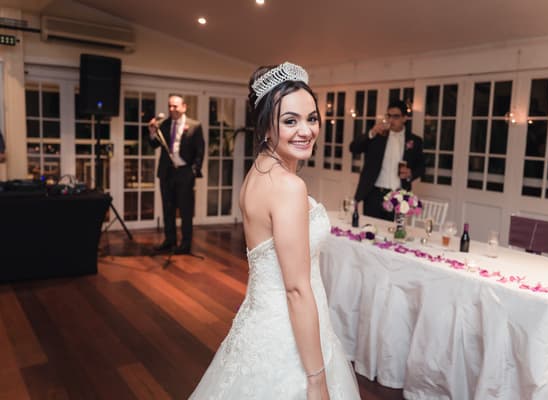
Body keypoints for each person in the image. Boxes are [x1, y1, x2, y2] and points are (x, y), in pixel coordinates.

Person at [189, 62, 360, 399]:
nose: (306, 131)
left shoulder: (257, 174)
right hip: (287, 334)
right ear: (266, 126)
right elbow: (296, 289)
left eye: (312, 119)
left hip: (260, 322)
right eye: (290, 121)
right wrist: (316, 380)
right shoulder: (287, 186)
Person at [350, 99, 425, 220]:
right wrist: (371, 133)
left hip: (398, 196)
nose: (391, 120)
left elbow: (421, 167)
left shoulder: (414, 141)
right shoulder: (378, 135)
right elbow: (354, 148)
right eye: (388, 116)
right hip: (373, 193)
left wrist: (411, 173)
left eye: (396, 116)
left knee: (392, 234)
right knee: (370, 230)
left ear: (405, 118)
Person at [148, 94, 205, 255]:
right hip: (166, 173)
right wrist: (152, 132)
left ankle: (185, 244)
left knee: (186, 210)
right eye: (170, 106)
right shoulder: (164, 124)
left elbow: (200, 151)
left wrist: (194, 171)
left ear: (184, 107)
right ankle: (169, 240)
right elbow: (154, 145)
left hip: (185, 173)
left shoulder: (195, 125)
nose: (172, 109)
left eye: (175, 106)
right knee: (168, 208)